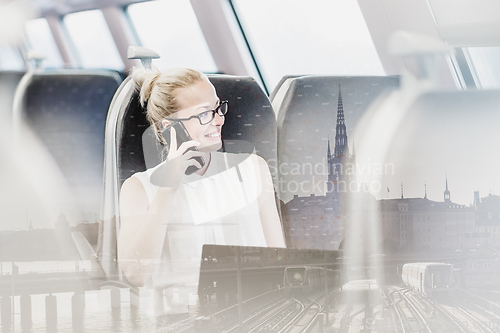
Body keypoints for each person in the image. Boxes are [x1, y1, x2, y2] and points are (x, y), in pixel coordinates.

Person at [117, 67, 285, 312]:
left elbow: (280, 261)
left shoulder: (253, 169)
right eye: (204, 114)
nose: (219, 119)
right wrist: (167, 189)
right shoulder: (139, 189)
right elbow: (136, 274)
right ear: (170, 127)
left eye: (217, 108)